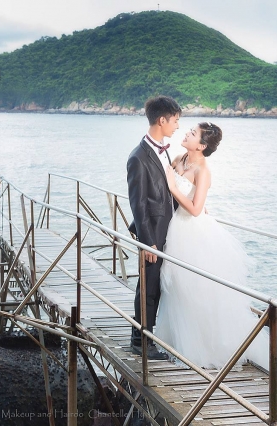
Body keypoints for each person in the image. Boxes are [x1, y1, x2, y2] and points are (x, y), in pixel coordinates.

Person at [155, 122, 277, 384]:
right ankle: (179, 341)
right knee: (177, 286)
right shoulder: (179, 158)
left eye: (191, 133)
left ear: (201, 145)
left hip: (192, 231)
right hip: (176, 228)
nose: (186, 133)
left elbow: (197, 209)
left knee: (195, 287)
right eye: (187, 130)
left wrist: (174, 187)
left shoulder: (203, 170)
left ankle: (204, 349)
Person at [126, 96, 181, 359]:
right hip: (152, 233)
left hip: (166, 229)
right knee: (148, 286)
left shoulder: (163, 150)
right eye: (175, 120)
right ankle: (140, 342)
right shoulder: (137, 158)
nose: (178, 126)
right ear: (162, 120)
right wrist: (148, 242)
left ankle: (147, 337)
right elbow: (138, 205)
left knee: (156, 285)